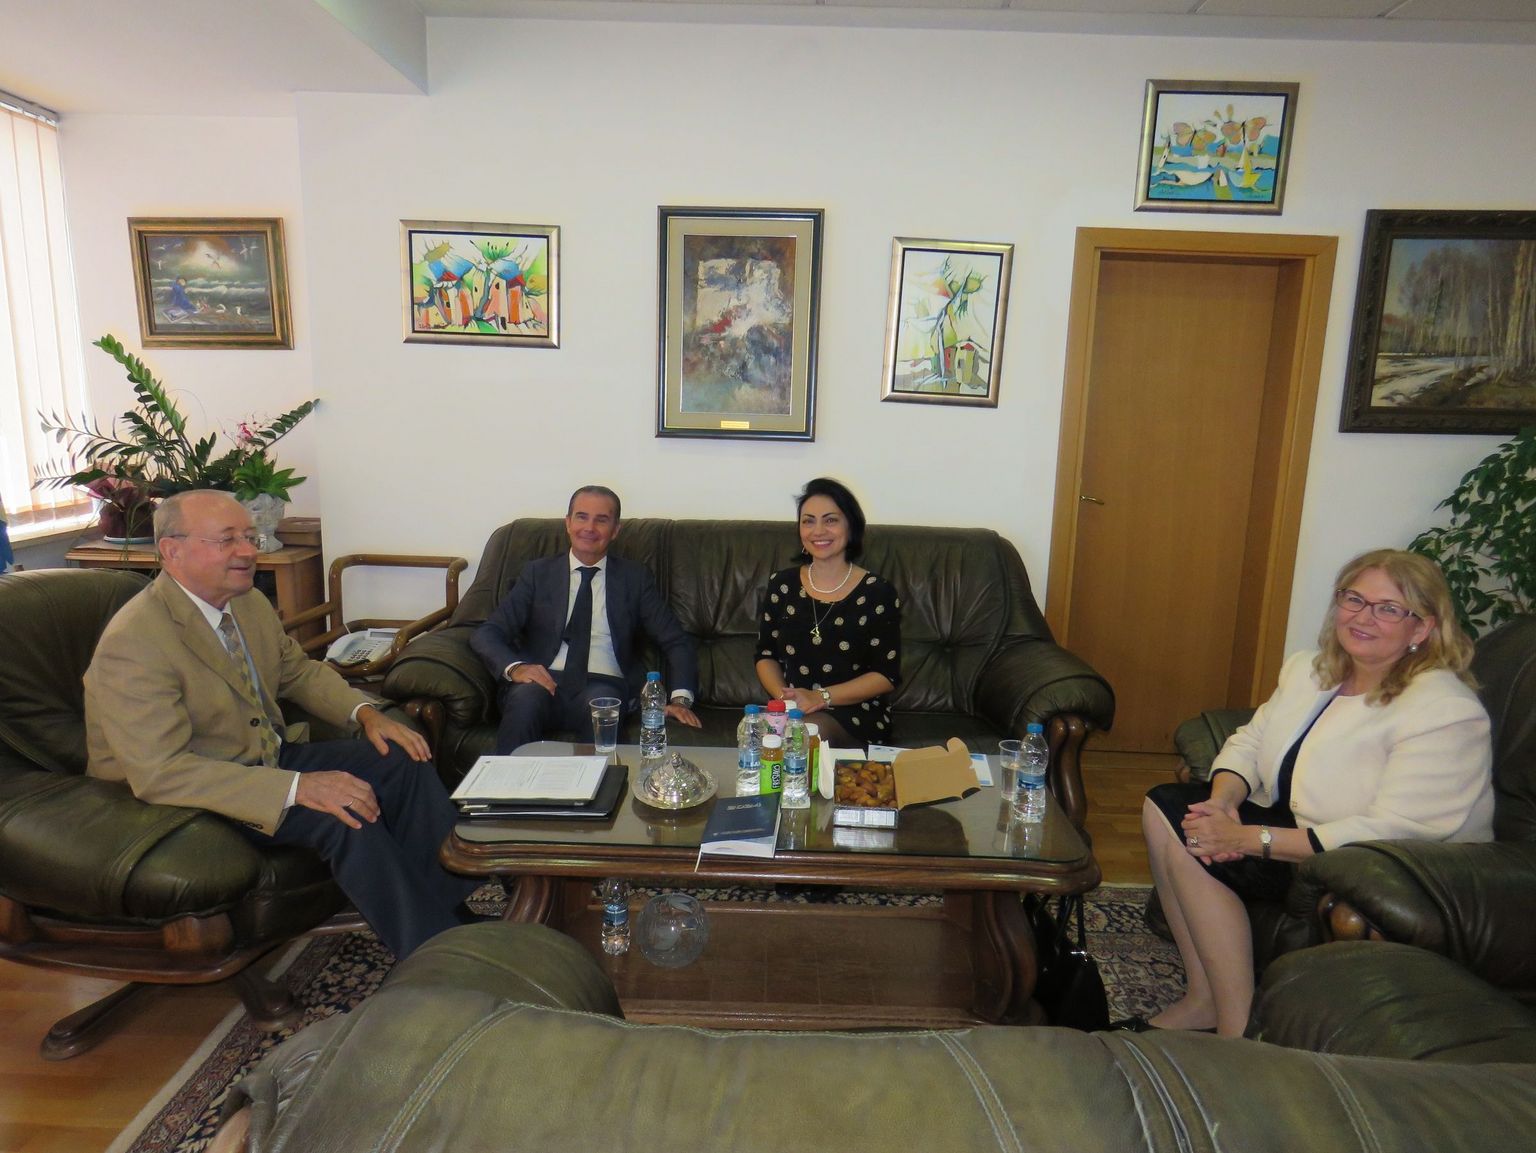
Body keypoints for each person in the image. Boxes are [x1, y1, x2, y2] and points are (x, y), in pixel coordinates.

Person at [84, 491, 479, 960]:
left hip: (262, 756)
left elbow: (297, 671)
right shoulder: (135, 641)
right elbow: (161, 771)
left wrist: (366, 713)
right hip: (193, 791)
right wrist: (298, 787)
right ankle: (438, 956)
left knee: (399, 758)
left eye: (249, 537)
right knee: (343, 813)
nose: (248, 551)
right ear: (172, 550)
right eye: (227, 540)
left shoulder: (246, 602)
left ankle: (453, 912)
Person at [1126, 548, 1494, 1038]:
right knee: (1172, 811)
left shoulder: (1444, 710)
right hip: (1302, 825)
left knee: (1200, 841)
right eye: (1353, 599)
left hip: (1381, 864)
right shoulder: (1310, 670)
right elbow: (1250, 741)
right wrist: (1221, 803)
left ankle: (1238, 1030)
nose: (1363, 617)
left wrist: (1246, 838)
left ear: (1422, 628)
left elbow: (1395, 829)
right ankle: (1205, 1000)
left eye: (1388, 608)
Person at [472, 485, 701, 754]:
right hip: (543, 679)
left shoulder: (634, 578)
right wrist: (516, 668)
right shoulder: (538, 574)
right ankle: (506, 781)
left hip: (605, 683)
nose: (589, 528)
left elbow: (675, 640)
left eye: (601, 520)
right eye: (582, 517)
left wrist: (680, 700)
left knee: (602, 708)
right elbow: (488, 632)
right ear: (568, 523)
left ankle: (600, 782)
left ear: (615, 530)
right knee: (525, 700)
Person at [755, 478, 902, 746]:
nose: (818, 531)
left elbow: (886, 675)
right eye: (808, 521)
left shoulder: (877, 591)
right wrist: (787, 699)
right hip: (793, 709)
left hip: (855, 712)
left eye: (831, 520)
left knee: (803, 734)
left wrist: (820, 697)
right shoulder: (782, 584)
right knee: (757, 734)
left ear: (851, 526)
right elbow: (766, 655)